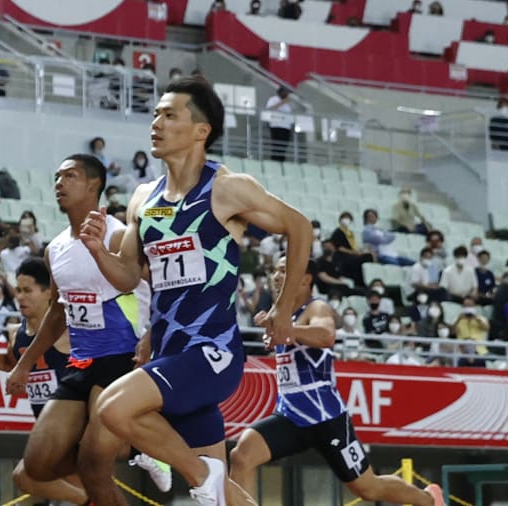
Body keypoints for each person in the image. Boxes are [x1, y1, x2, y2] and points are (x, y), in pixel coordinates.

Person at [74, 76, 313, 504]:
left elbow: (299, 226)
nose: (156, 122)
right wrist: (96, 252)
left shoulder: (226, 189)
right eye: (155, 115)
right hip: (168, 353)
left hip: (211, 355)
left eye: (169, 115)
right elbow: (128, 276)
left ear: (201, 131)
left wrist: (281, 310)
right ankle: (210, 479)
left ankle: (202, 475)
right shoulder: (143, 199)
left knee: (111, 408)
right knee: (226, 497)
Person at [5, 154, 158, 505]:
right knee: (36, 466)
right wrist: (24, 364)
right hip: (82, 362)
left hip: (123, 359)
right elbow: (58, 312)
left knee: (93, 464)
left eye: (69, 176)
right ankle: (136, 444)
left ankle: (142, 443)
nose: (59, 183)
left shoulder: (121, 236)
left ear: (94, 184)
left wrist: (152, 337)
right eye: (57, 176)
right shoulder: (55, 249)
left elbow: (163, 289)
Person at [229, 257, 444, 505]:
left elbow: (326, 336)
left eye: (283, 271)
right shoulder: (282, 314)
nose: (276, 277)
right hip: (291, 415)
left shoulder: (316, 307)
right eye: (275, 271)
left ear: (305, 279)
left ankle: (429, 499)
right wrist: (276, 330)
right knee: (241, 457)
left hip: (326, 418)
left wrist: (286, 329)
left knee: (368, 488)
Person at [0, 257, 89, 504]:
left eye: (28, 291)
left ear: (49, 293)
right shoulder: (16, 332)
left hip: (72, 427)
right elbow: (11, 364)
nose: (20, 297)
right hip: (45, 426)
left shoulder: (67, 328)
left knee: (25, 476)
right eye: (18, 290)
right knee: (33, 478)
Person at [265, 87, 294, 161]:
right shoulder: (273, 99)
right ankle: (275, 162)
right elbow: (269, 109)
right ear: (280, 92)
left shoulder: (288, 103)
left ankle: (281, 161)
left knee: (283, 146)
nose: (287, 94)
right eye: (286, 92)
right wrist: (282, 102)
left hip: (286, 128)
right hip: (276, 126)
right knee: (276, 146)